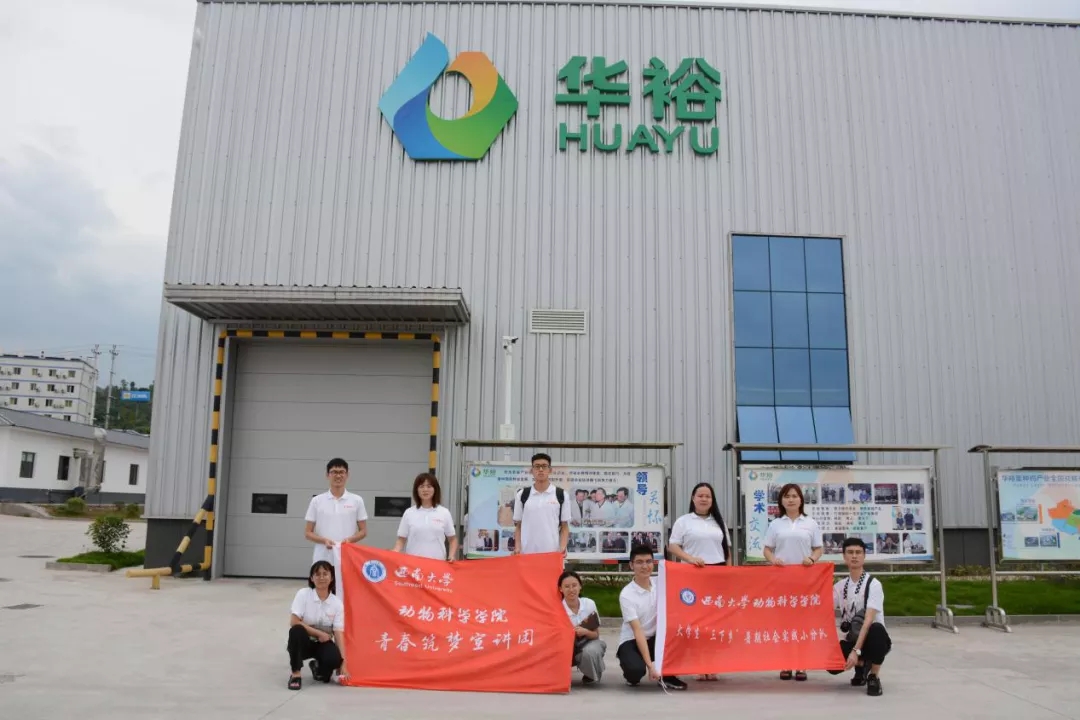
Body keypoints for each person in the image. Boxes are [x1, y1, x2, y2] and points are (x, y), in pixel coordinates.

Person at [667, 481, 732, 681]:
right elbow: (673, 546)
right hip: (692, 575)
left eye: (708, 496)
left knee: (714, 622)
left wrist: (729, 574)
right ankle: (698, 663)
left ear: (712, 500)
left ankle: (712, 664)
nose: (704, 499)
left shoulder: (718, 522)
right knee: (695, 621)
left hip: (716, 576)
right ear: (693, 498)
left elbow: (726, 551)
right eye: (700, 495)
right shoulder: (684, 521)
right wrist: (690, 559)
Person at [763, 483, 823, 682]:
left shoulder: (810, 523)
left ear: (801, 500)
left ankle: (802, 664)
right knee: (784, 624)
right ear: (781, 500)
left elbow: (818, 548)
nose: (790, 499)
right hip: (782, 581)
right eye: (787, 496)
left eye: (794, 496)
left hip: (805, 581)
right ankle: (786, 664)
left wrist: (812, 559)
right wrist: (773, 560)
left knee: (803, 623)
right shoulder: (775, 524)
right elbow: (767, 549)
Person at [616, 543, 687, 690]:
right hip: (633, 640)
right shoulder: (627, 595)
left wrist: (694, 562)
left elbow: (683, 577)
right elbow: (637, 631)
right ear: (631, 565)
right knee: (635, 672)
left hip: (656, 639)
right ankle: (631, 665)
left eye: (648, 561)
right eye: (639, 562)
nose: (645, 566)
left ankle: (667, 675)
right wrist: (650, 665)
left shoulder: (660, 583)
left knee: (682, 635)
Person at [828, 537, 891, 696]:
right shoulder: (839, 586)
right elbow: (822, 609)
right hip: (852, 637)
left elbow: (868, 620)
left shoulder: (874, 584)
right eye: (850, 552)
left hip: (873, 639)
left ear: (864, 556)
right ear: (844, 557)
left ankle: (873, 676)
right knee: (830, 664)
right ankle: (862, 665)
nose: (854, 556)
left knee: (876, 629)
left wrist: (856, 651)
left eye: (858, 552)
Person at [287, 561, 348, 690]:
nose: (321, 577)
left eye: (325, 574)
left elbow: (338, 633)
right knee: (296, 630)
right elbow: (294, 621)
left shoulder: (337, 603)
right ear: (311, 578)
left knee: (333, 662)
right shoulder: (303, 594)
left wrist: (343, 662)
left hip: (323, 643)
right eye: (317, 574)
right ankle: (295, 674)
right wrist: (318, 633)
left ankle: (317, 667)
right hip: (304, 642)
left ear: (332, 578)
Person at [304, 458, 367, 566]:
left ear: (347, 475)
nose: (338, 476)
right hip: (322, 557)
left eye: (341, 472)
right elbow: (308, 533)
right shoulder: (317, 501)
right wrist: (324, 541)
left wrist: (349, 540)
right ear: (327, 475)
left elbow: (363, 531)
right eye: (334, 472)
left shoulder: (357, 500)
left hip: (347, 556)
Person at [512, 453, 571, 555]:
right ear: (532, 470)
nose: (540, 469)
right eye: (537, 466)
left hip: (552, 554)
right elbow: (518, 526)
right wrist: (517, 548)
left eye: (544, 466)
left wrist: (562, 547)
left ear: (550, 470)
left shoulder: (561, 495)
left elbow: (564, 526)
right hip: (527, 554)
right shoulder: (522, 495)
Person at [392, 473, 459, 561]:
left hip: (437, 564)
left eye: (429, 486)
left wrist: (451, 555)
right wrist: (393, 553)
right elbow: (401, 539)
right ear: (416, 490)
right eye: (421, 486)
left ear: (435, 489)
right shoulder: (409, 513)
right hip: (413, 564)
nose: (425, 490)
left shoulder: (444, 512)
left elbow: (452, 539)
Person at [559, 570, 606, 685]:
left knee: (590, 652)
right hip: (567, 646)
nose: (571, 589)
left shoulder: (589, 604)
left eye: (574, 585)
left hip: (589, 641)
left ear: (580, 586)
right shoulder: (558, 609)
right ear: (561, 589)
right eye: (567, 586)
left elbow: (596, 635)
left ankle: (590, 673)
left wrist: (585, 632)